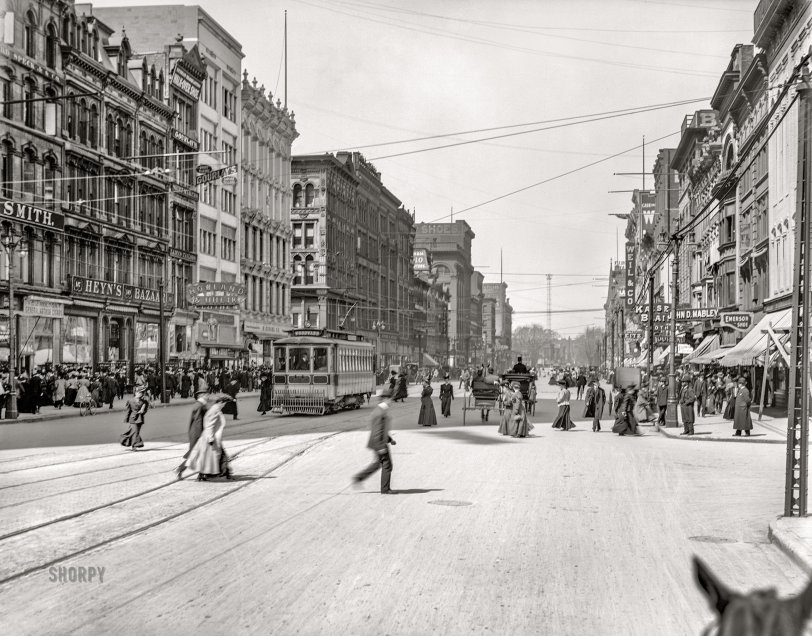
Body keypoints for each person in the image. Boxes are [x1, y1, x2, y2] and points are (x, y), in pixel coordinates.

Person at [353, 388, 397, 494]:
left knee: (377, 464)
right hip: (379, 443)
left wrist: (390, 439)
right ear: (386, 399)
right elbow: (377, 431)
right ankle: (385, 489)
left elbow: (382, 429)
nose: (392, 401)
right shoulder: (380, 412)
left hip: (378, 442)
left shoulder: (381, 410)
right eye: (391, 399)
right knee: (387, 465)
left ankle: (359, 478)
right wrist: (381, 447)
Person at [187, 396, 232, 481]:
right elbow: (209, 425)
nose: (224, 406)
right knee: (209, 458)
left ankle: (206, 474)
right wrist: (211, 438)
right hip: (210, 438)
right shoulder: (215, 410)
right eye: (224, 404)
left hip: (209, 437)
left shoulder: (214, 409)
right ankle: (211, 474)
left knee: (207, 458)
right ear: (220, 402)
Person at [176, 389, 210, 479]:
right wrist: (201, 436)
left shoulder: (200, 405)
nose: (208, 396)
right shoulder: (199, 406)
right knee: (195, 454)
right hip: (197, 434)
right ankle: (181, 469)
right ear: (202, 396)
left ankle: (201, 474)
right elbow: (198, 421)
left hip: (197, 433)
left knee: (200, 454)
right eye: (207, 395)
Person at [120, 386, 150, 451]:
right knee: (135, 432)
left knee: (135, 432)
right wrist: (126, 419)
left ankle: (127, 441)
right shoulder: (130, 401)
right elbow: (128, 411)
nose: (142, 394)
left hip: (140, 419)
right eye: (140, 392)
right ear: (136, 393)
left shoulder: (144, 402)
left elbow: (145, 410)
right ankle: (134, 445)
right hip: (133, 419)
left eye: (142, 393)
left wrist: (142, 411)